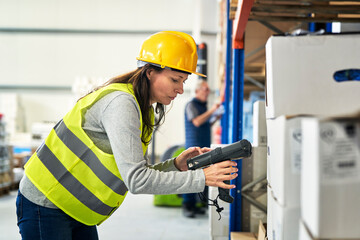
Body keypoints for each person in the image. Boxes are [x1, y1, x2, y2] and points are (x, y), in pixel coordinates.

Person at [16, 31, 238, 240]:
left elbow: (132, 171)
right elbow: (137, 181)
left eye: (183, 82)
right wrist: (202, 178)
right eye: (175, 80)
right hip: (45, 202)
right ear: (150, 72)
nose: (180, 90)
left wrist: (176, 165)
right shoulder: (121, 104)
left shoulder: (143, 109)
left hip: (75, 207)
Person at [182, 79, 223, 218]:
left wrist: (215, 117)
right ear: (197, 91)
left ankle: (195, 205)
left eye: (208, 89)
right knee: (190, 175)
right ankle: (187, 206)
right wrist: (213, 110)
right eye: (205, 89)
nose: (207, 92)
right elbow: (198, 121)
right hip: (193, 148)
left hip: (202, 146)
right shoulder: (191, 105)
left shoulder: (202, 107)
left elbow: (205, 124)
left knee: (200, 176)